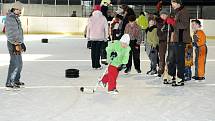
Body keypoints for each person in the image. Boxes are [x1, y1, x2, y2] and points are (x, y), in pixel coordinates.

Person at [5, 1, 26, 88]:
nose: (20, 12)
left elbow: (18, 32)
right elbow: (10, 33)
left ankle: (16, 80)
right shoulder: (10, 18)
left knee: (19, 63)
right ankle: (10, 82)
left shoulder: (16, 17)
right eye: (19, 10)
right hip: (13, 43)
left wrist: (22, 43)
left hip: (18, 43)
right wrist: (15, 44)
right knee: (15, 63)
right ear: (15, 9)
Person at [171, 0, 191, 86]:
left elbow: (184, 25)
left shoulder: (184, 12)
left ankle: (180, 78)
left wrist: (173, 22)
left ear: (178, 3)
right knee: (175, 59)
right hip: (177, 38)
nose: (172, 5)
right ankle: (176, 76)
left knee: (180, 60)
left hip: (181, 39)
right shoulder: (178, 12)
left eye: (173, 3)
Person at [156, 9, 169, 77]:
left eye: (165, 15)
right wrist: (163, 30)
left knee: (169, 56)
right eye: (162, 15)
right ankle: (161, 69)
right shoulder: (158, 22)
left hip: (169, 42)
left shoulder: (169, 22)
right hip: (162, 41)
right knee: (161, 56)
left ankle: (168, 69)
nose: (163, 16)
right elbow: (158, 33)